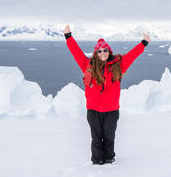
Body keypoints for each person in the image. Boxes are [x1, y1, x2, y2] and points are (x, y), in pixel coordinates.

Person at [63, 25, 151, 165]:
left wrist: (144, 43)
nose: (103, 53)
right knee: (96, 138)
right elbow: (76, 52)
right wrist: (68, 37)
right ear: (96, 53)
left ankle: (109, 160)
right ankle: (97, 161)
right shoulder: (88, 65)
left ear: (109, 51)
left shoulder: (118, 66)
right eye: (100, 51)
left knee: (109, 137)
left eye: (105, 50)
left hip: (111, 110)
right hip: (93, 110)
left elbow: (132, 55)